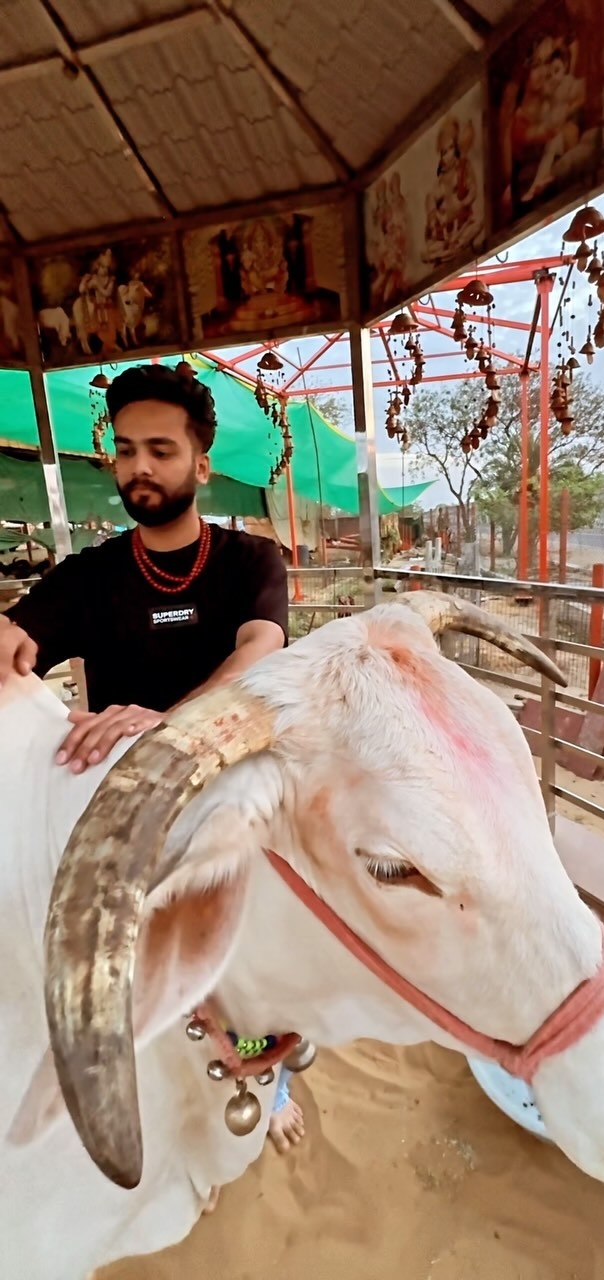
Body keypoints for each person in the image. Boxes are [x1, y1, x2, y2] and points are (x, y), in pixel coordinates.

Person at [0, 360, 304, 1153]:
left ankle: (269, 1077)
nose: (140, 466)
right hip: (124, 809)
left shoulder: (251, 562)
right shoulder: (90, 577)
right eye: (127, 449)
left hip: (231, 795)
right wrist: (8, 643)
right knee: (130, 963)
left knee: (252, 966)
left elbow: (261, 650)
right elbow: (18, 641)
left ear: (201, 465)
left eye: (161, 450)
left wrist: (165, 723)